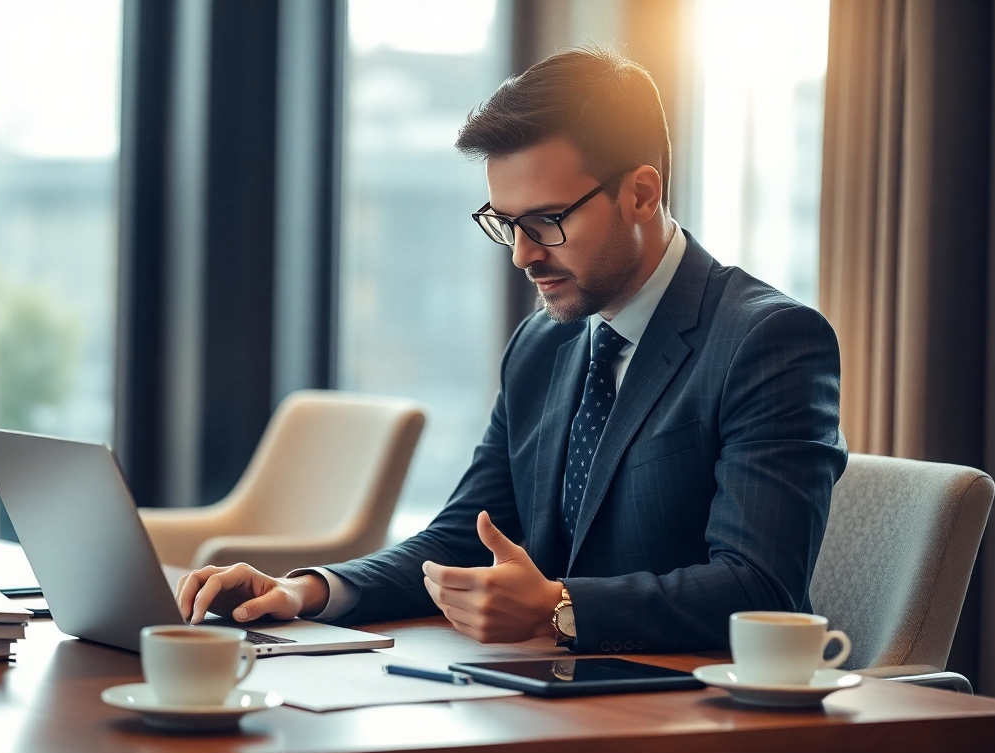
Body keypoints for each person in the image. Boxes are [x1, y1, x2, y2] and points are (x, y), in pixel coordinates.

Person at [176, 46, 846, 653]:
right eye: (506, 223)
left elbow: (761, 589)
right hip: (552, 698)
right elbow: (465, 535)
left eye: (548, 221)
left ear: (641, 193)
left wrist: (559, 606)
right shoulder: (543, 343)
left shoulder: (768, 342)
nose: (524, 255)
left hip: (696, 720)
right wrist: (307, 592)